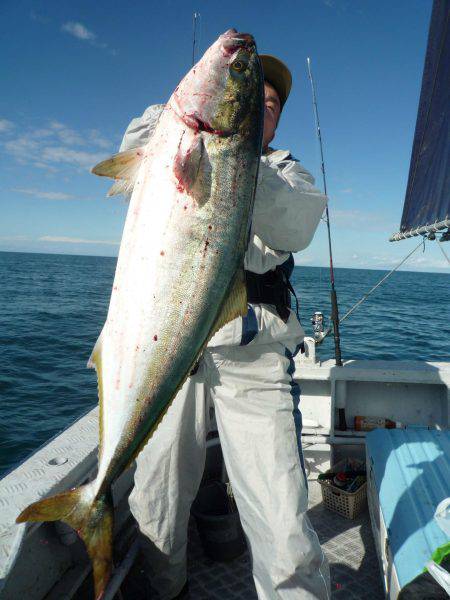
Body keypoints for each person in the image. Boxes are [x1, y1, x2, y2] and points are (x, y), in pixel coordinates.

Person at [120, 54, 330, 600]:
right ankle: (167, 590)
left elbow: (298, 222)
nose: (259, 109)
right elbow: (131, 153)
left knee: (283, 516)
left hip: (254, 354)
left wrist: (234, 157)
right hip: (170, 352)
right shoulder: (180, 135)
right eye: (250, 97)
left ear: (276, 122)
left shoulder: (287, 174)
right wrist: (182, 115)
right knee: (156, 500)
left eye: (269, 105)